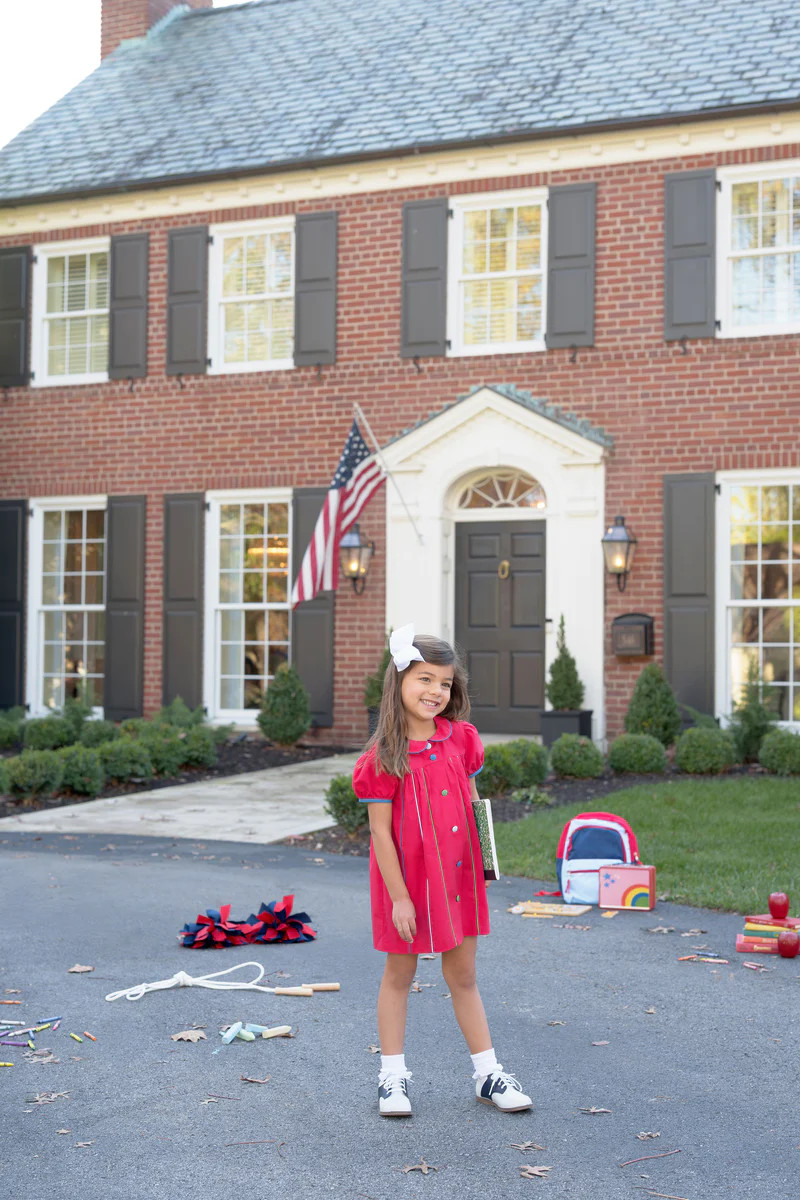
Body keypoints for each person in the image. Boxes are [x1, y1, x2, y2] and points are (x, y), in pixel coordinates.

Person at [352, 625, 532, 1118]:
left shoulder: (462, 740)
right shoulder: (381, 758)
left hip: (458, 876)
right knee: (399, 974)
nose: (435, 691)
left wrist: (488, 861)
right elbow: (380, 834)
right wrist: (400, 898)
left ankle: (488, 1074)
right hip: (406, 883)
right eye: (425, 679)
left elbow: (475, 804)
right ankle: (392, 1078)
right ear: (399, 682)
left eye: (445, 683)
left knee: (464, 975)